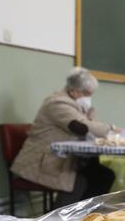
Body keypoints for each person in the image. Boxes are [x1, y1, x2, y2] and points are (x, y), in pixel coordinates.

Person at [11, 67, 116, 208]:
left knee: (104, 175)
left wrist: (90, 113)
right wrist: (113, 129)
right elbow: (83, 127)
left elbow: (90, 126)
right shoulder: (57, 103)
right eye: (86, 94)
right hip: (43, 161)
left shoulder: (76, 104)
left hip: (64, 159)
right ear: (73, 90)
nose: (88, 98)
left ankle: (86, 215)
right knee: (77, 181)